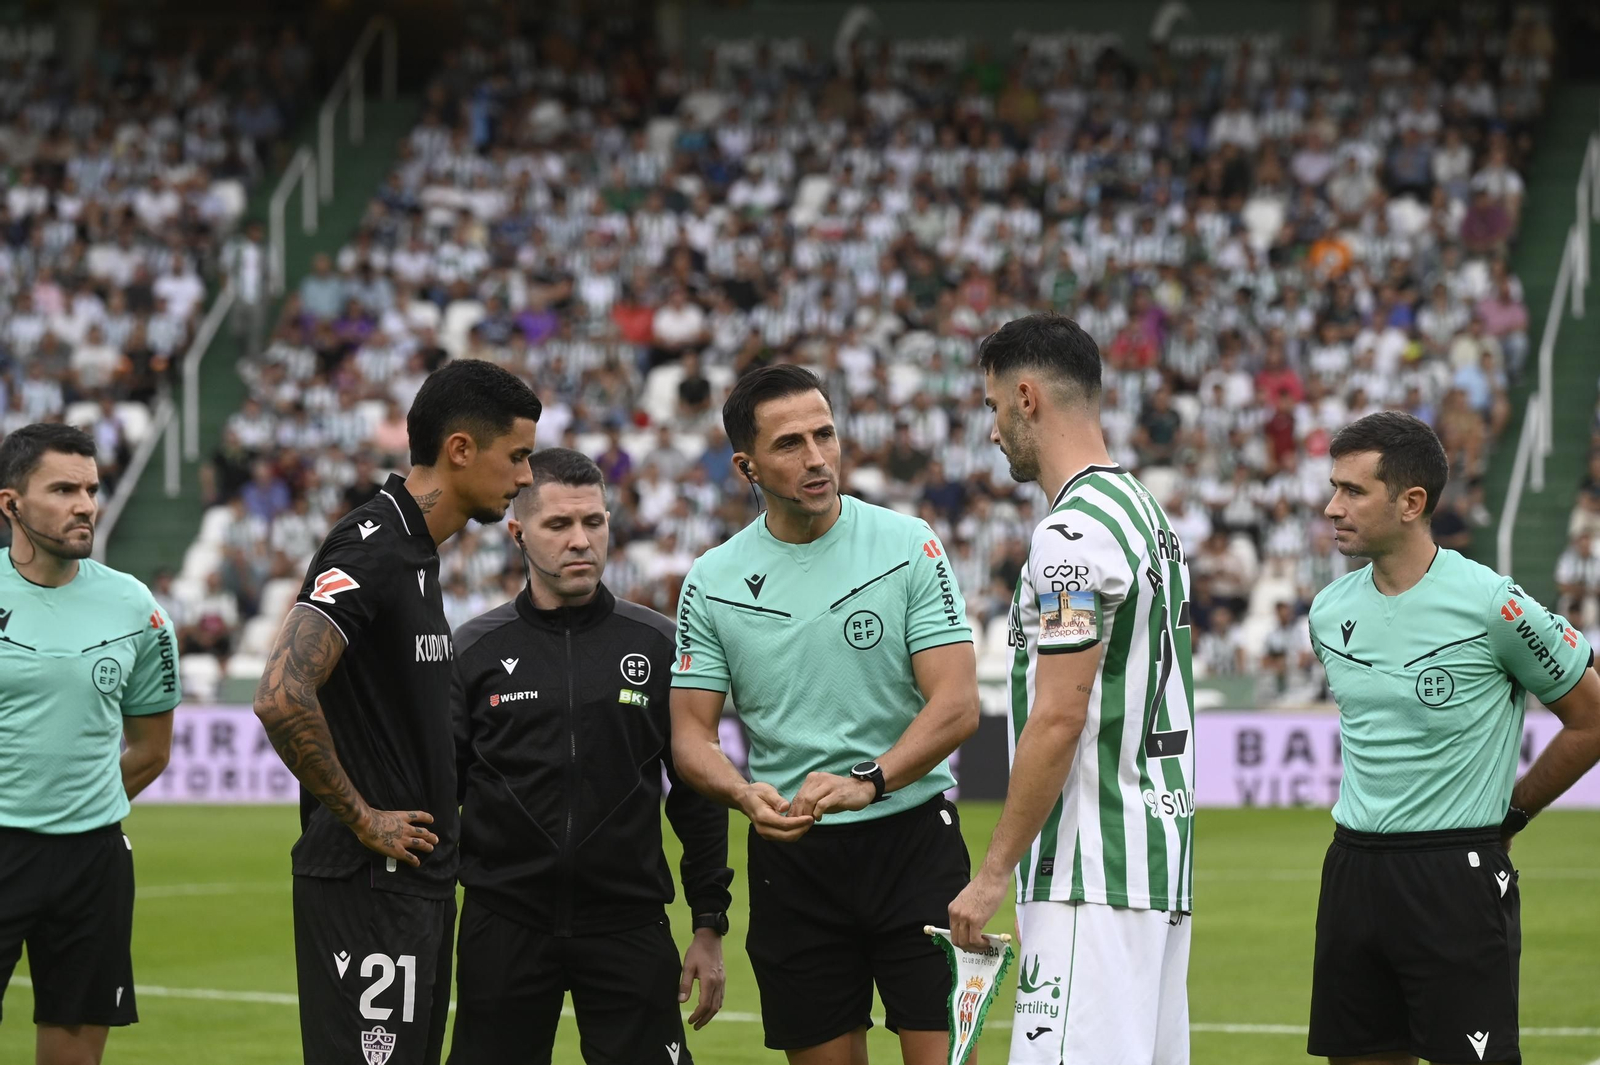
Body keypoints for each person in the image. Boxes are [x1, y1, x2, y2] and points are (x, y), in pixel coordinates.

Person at [670, 365, 980, 1064]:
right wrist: (741, 791)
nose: (816, 457)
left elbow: (958, 703)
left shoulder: (908, 543)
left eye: (825, 434)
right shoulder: (712, 580)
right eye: (790, 444)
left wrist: (869, 779)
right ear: (745, 465)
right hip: (793, 859)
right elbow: (689, 735)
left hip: (914, 846)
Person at [253, 360, 541, 1065]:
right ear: (461, 450)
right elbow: (281, 692)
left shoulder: (414, 550)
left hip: (411, 879)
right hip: (369, 881)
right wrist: (362, 816)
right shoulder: (374, 545)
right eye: (519, 456)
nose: (527, 477)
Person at [1306, 411, 1600, 1065]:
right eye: (1333, 487)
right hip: (1352, 868)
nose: (1332, 507)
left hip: (1455, 873)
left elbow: (1592, 718)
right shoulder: (1328, 611)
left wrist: (1514, 812)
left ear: (1412, 502)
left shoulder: (1494, 603)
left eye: (1353, 490)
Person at [946, 314, 1196, 1065]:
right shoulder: (1146, 515)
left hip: (1089, 872)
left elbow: (1059, 714)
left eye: (992, 407)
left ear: (1027, 397)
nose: (991, 430)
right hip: (1156, 866)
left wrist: (992, 873)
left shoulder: (1071, 536)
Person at [448, 448, 733, 1064]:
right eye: (559, 526)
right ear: (518, 532)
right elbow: (439, 799)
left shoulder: (658, 644)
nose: (581, 541)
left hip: (629, 924)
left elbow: (698, 794)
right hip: (504, 924)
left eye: (594, 523)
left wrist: (708, 922)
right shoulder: (472, 652)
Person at [0, 423, 179, 1065]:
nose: (85, 505)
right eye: (63, 489)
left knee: (76, 1050)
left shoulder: (136, 607)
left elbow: (153, 748)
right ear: (10, 503)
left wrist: (79, 805)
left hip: (93, 862)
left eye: (91, 489)